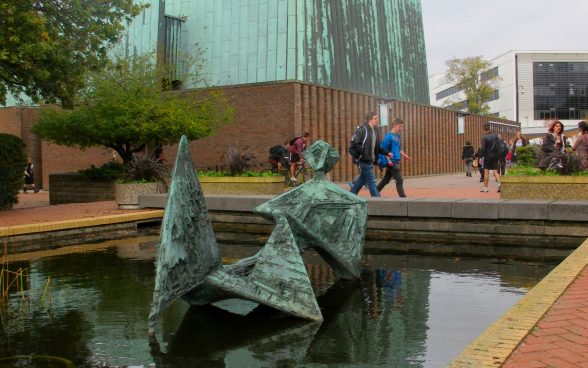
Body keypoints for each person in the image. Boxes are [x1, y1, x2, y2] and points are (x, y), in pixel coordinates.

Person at [350, 111, 391, 197]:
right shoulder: (363, 129)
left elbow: (377, 147)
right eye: (375, 118)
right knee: (372, 183)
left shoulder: (375, 131)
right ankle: (378, 201)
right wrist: (364, 154)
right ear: (370, 120)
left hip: (370, 160)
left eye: (377, 118)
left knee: (361, 181)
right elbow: (355, 143)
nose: (377, 120)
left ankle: (350, 196)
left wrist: (386, 153)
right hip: (365, 160)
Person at [376, 118, 411, 196]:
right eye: (400, 126)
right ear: (394, 126)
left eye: (402, 126)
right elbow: (383, 149)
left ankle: (375, 192)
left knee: (386, 179)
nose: (401, 128)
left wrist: (406, 156)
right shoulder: (388, 136)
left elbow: (399, 149)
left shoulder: (398, 136)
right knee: (399, 180)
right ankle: (403, 198)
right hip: (391, 161)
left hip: (395, 160)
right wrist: (389, 161)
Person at [479, 123, 501, 193]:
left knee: (486, 171)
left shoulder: (484, 137)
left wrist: (480, 157)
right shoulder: (495, 136)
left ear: (483, 129)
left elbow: (483, 148)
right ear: (489, 128)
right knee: (495, 171)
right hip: (495, 155)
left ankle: (485, 188)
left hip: (487, 156)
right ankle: (500, 183)